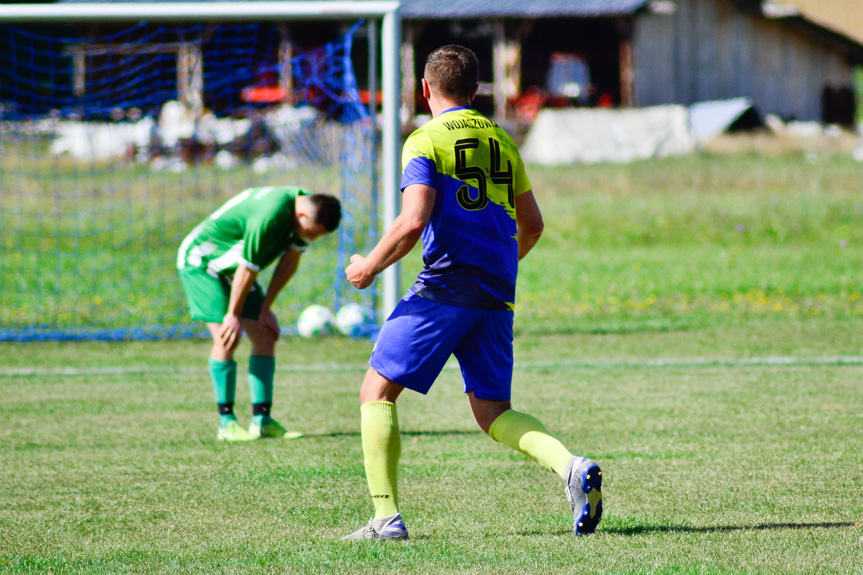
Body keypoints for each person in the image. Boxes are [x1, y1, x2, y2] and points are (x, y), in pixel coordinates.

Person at [342, 45, 602, 540]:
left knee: (376, 390)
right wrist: (501, 267)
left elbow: (414, 219)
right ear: (476, 89)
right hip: (495, 288)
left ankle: (385, 519)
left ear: (424, 88)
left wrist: (369, 267)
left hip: (446, 283)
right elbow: (533, 225)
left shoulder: (425, 139)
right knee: (493, 412)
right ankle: (572, 467)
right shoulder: (502, 139)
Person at [177, 187, 341, 442]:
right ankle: (226, 424)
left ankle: (262, 420)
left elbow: (289, 260)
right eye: (311, 233)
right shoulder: (269, 216)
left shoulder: (308, 208)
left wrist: (265, 309)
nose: (311, 239)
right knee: (227, 336)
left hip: (232, 268)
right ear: (302, 217)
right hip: (202, 262)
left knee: (265, 334)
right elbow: (247, 267)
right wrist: (233, 315)